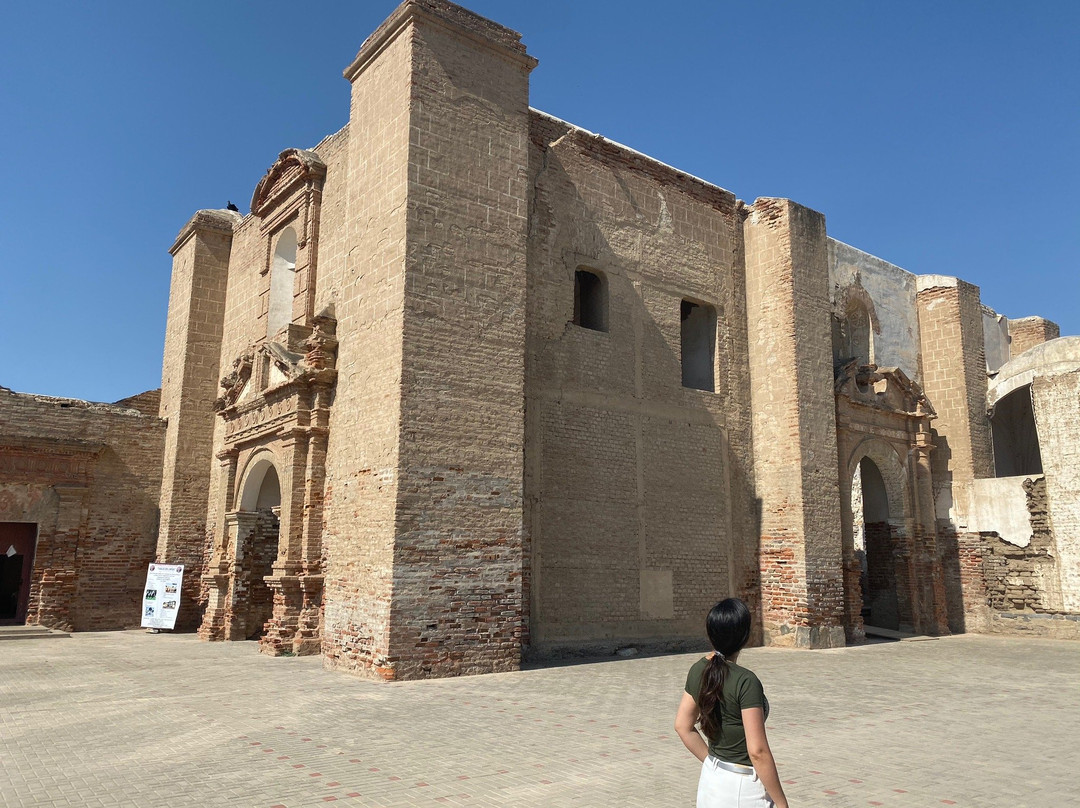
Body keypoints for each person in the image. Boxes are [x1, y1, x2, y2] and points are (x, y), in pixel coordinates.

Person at [674, 598, 789, 808]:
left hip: (711, 781)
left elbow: (682, 726)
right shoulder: (746, 681)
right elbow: (757, 751)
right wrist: (782, 803)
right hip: (743, 787)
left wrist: (713, 764)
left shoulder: (698, 669)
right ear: (744, 636)